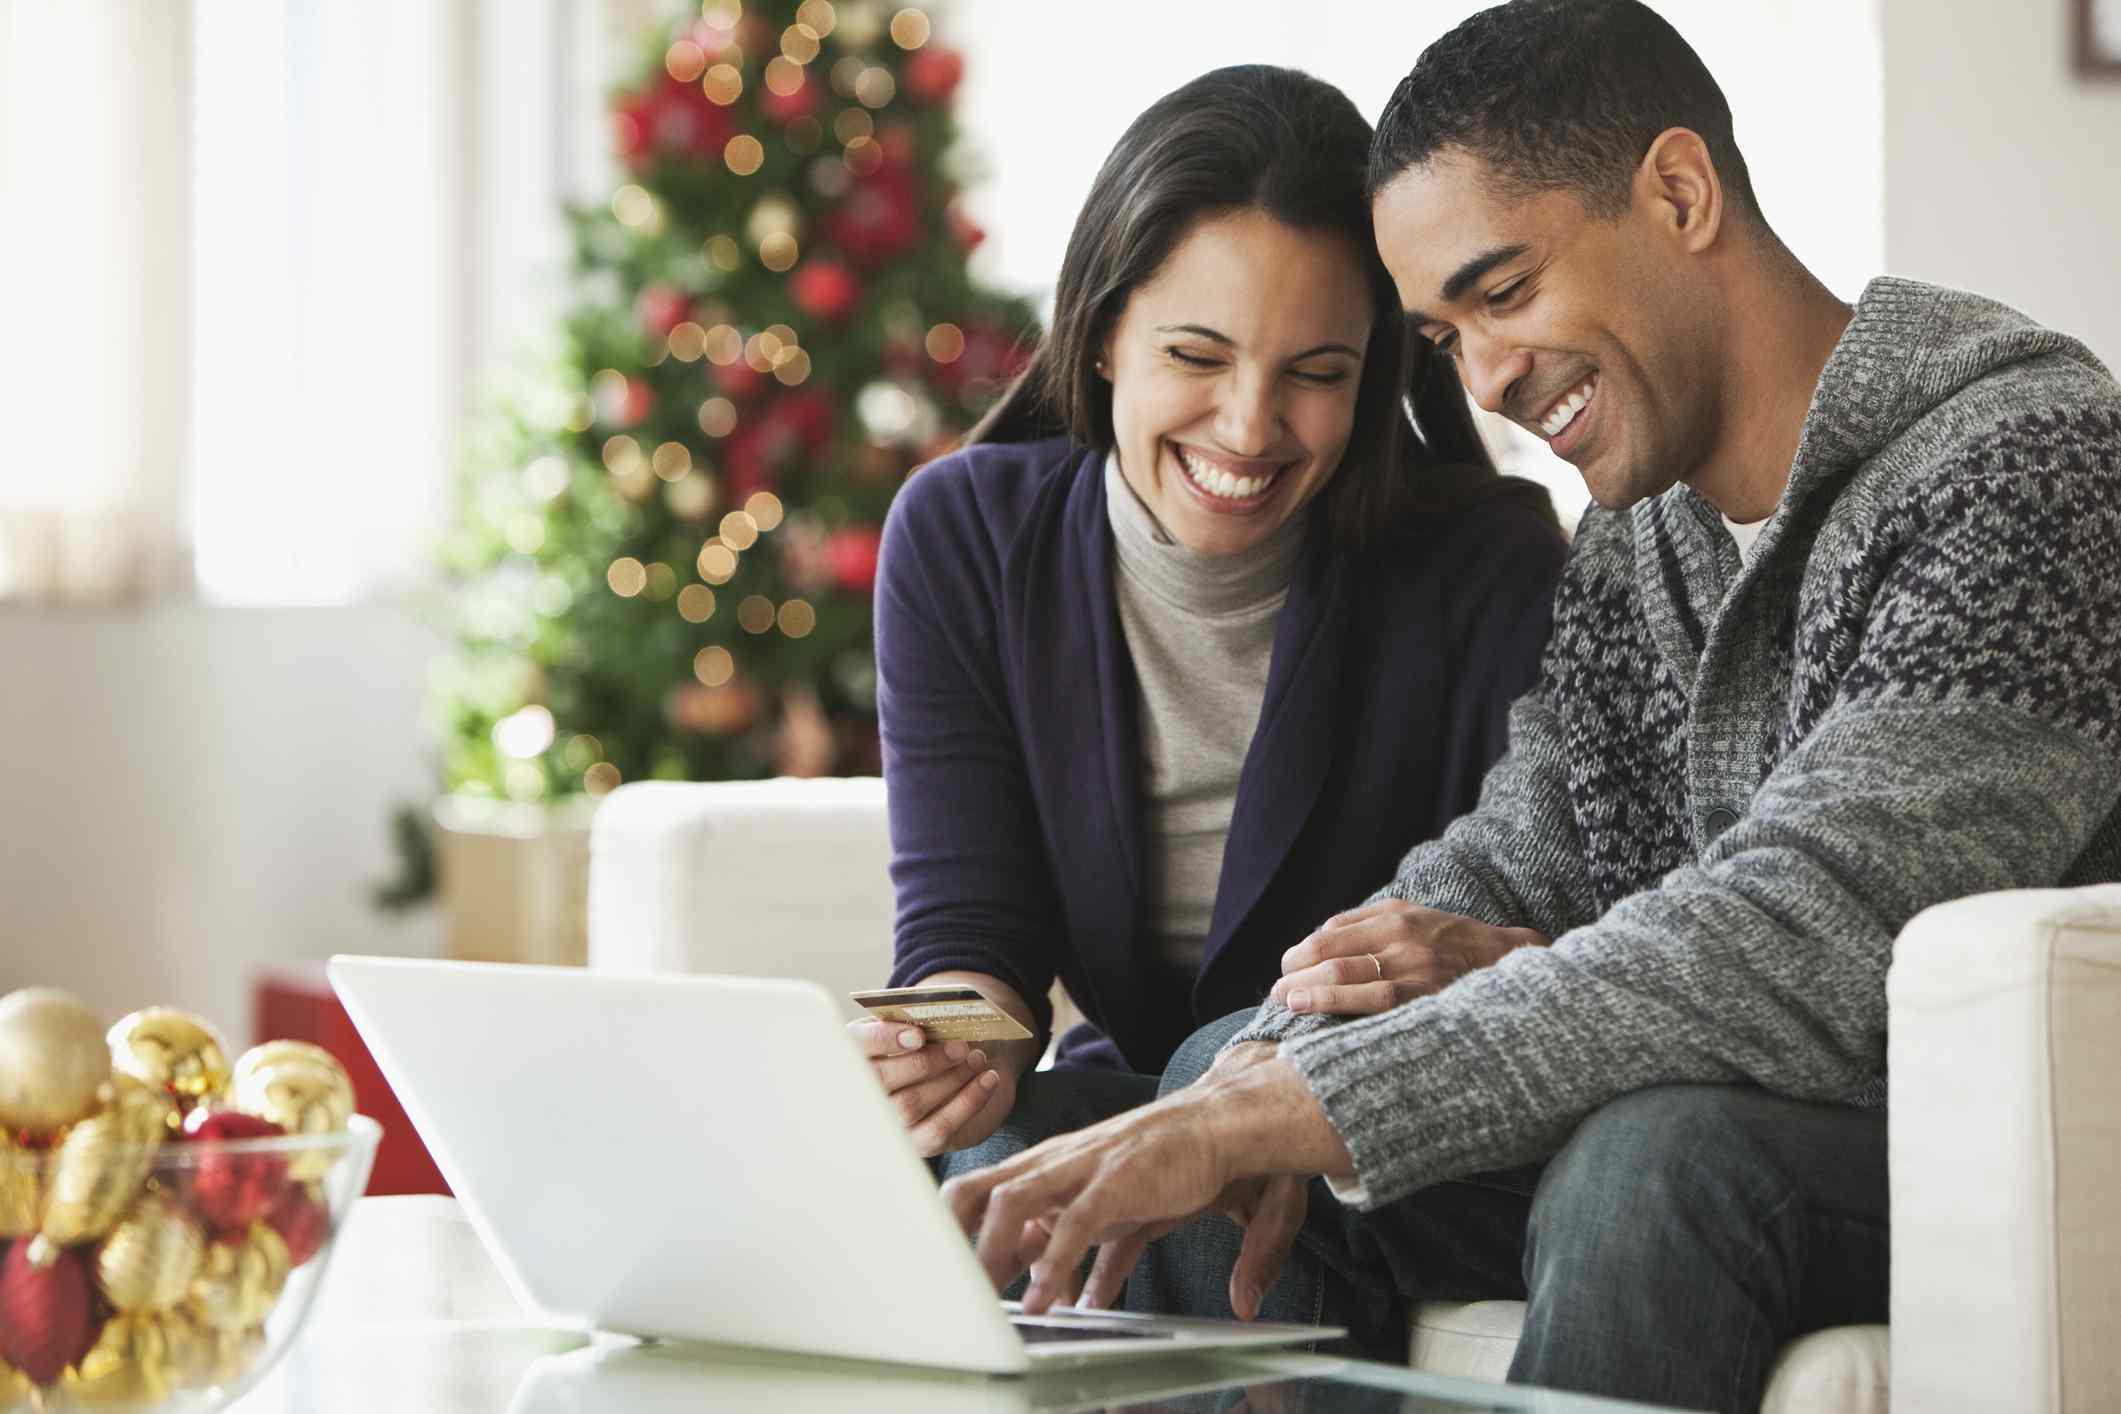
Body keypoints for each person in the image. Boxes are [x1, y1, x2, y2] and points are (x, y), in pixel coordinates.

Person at [934, 3, 2121, 1411]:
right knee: (1217, 1080)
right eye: (1440, 335)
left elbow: (1817, 926)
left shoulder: (2025, 461)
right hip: (1733, 1108)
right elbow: (1518, 850)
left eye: (1502, 293)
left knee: (1654, 1165)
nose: (1484, 379)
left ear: (1678, 193)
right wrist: (1270, 1061)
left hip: (1953, 1140)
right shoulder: (1646, 533)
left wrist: (1317, 1097)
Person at [852, 64, 1565, 1182]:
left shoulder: (1489, 567)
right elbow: (973, 932)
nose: (1247, 427)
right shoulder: (966, 537)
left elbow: (1550, 924)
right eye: (1196, 356)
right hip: (1137, 1094)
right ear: (1099, 334)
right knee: (977, 1142)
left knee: (1202, 1069)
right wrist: (952, 1043)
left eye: (1315, 374)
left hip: (1376, 1133)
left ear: (1375, 376)